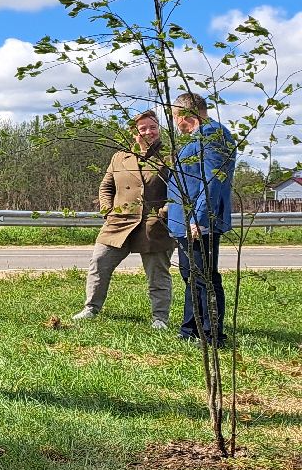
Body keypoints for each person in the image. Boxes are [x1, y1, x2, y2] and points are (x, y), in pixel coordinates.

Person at [72, 110, 173, 329]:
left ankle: (160, 318)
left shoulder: (170, 156)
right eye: (143, 128)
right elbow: (106, 186)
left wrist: (164, 213)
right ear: (134, 132)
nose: (148, 132)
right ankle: (91, 308)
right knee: (99, 263)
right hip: (118, 222)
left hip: (153, 224)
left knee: (158, 273)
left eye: (153, 127)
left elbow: (179, 192)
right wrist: (108, 209)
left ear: (159, 129)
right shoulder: (120, 156)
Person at [166, 92, 236, 345]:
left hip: (199, 222)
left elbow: (212, 181)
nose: (175, 123)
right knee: (191, 275)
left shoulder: (212, 136)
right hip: (185, 221)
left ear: (184, 115)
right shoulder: (198, 138)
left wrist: (199, 219)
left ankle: (212, 335)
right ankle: (190, 330)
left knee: (205, 277)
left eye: (174, 117)